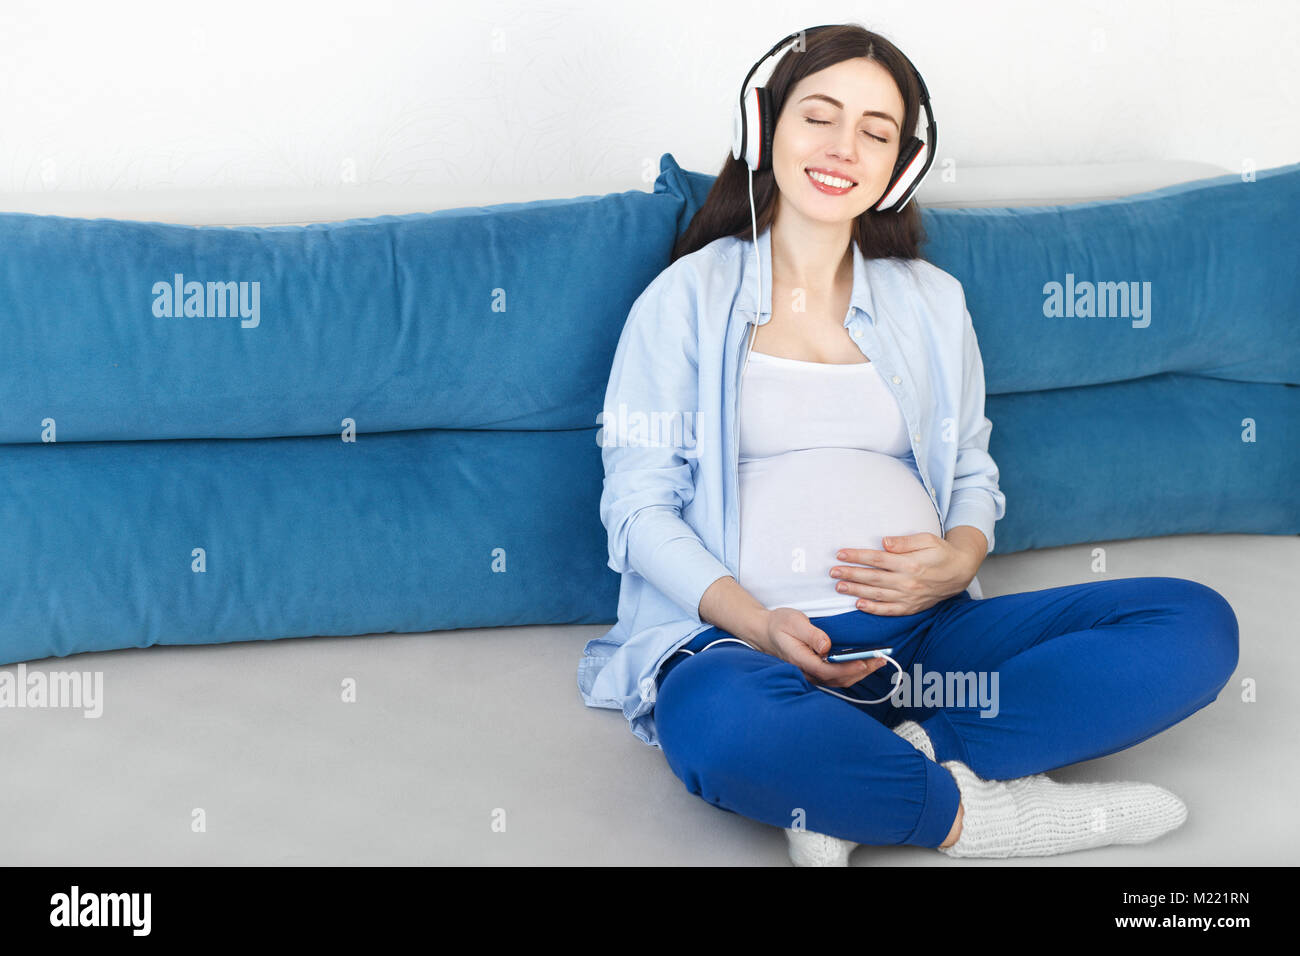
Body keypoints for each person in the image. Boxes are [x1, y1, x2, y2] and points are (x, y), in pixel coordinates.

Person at [578, 24, 1239, 866]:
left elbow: (970, 466)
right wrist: (758, 622)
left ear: (903, 166)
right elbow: (636, 509)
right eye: (819, 116)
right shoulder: (683, 300)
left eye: (876, 133)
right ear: (764, 126)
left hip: (930, 645)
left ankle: (880, 772)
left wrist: (963, 554)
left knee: (1192, 624)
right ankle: (979, 818)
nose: (843, 147)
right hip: (746, 652)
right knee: (721, 728)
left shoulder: (931, 301)